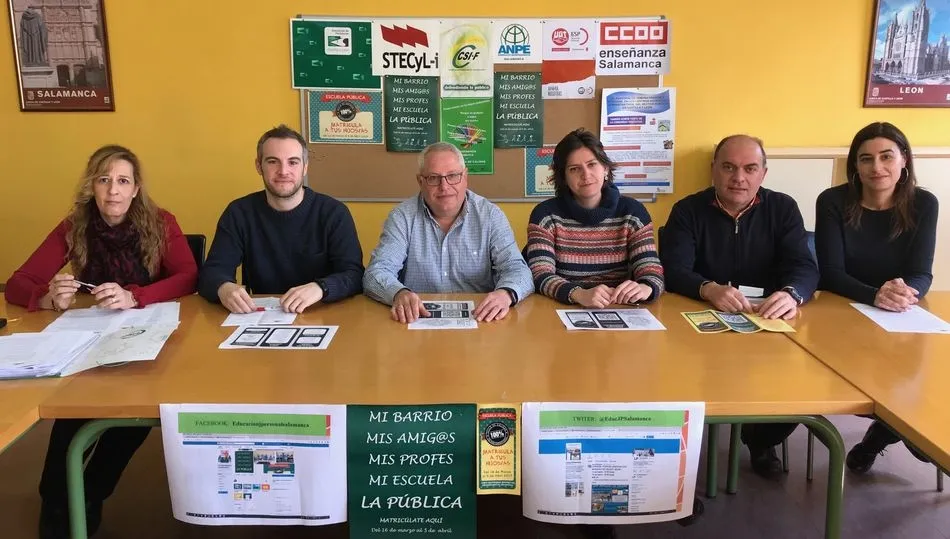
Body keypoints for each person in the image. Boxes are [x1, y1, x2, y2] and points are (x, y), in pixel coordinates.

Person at [4, 145, 198, 538]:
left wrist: (135, 296)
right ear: (91, 185)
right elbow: (18, 282)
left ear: (136, 188)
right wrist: (46, 297)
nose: (113, 190)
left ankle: (91, 493)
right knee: (72, 412)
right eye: (104, 179)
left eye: (123, 181)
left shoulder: (160, 223)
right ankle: (56, 498)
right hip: (89, 335)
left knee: (131, 418)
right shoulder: (73, 226)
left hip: (148, 334)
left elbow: (189, 276)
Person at [660, 134, 819, 478]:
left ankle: (761, 439)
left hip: (767, 326)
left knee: (799, 386)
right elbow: (672, 270)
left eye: (750, 168)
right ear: (713, 169)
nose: (739, 178)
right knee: (671, 378)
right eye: (729, 167)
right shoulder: (687, 210)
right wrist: (707, 288)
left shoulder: (783, 208)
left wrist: (792, 293)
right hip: (696, 328)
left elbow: (804, 266)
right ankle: (677, 458)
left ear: (763, 172)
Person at [815, 121, 938, 473]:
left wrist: (904, 293)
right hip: (841, 309)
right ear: (855, 165)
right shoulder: (833, 201)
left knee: (916, 382)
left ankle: (880, 438)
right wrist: (875, 295)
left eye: (887, 157)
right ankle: (900, 429)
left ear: (904, 162)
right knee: (842, 377)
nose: (877, 168)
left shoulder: (924, 203)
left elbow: (922, 272)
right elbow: (831, 272)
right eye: (866, 159)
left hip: (901, 312)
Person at [198, 125, 363, 312]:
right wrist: (223, 287)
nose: (283, 171)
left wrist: (321, 288)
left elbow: (354, 275)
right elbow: (211, 273)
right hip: (259, 318)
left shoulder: (334, 213)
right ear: (258, 166)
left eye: (293, 162)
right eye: (272, 162)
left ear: (305, 167)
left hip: (323, 313)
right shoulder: (239, 213)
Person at [363, 142, 533, 322]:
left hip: (480, 321)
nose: (444, 186)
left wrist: (505, 294)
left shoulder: (490, 216)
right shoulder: (401, 218)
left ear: (465, 176)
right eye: (433, 178)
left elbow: (517, 269)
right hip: (418, 321)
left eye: (453, 176)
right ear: (420, 181)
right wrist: (398, 293)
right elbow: (377, 272)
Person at [525, 128, 664, 307]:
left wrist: (646, 287)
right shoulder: (545, 215)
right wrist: (578, 294)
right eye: (574, 169)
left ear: (605, 168)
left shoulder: (633, 212)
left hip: (618, 308)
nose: (586, 175)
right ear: (564, 177)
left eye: (592, 164)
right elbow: (539, 274)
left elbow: (652, 271)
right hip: (560, 308)